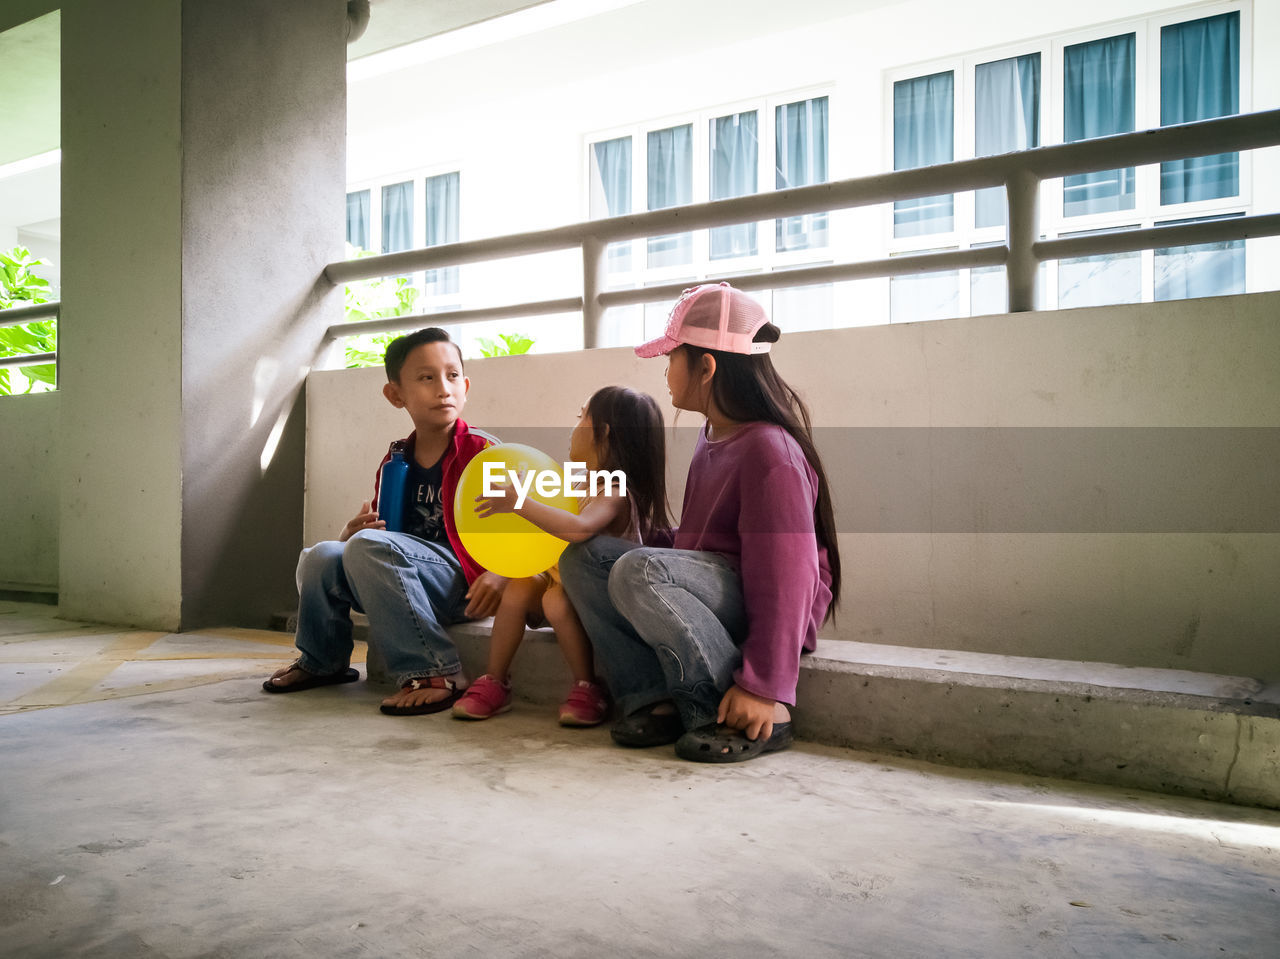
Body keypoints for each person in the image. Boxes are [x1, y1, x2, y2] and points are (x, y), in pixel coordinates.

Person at [558, 283, 840, 763]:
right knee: (584, 559)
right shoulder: (713, 437)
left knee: (639, 569)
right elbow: (700, 542)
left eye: (672, 358)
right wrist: (643, 537)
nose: (666, 372)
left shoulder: (771, 451)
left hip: (763, 606)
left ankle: (720, 706)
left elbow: (790, 577)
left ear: (706, 367)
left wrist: (765, 686)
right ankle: (652, 694)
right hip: (714, 592)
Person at [262, 327, 507, 715]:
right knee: (320, 555)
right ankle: (322, 661)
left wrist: (503, 573)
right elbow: (383, 539)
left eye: (452, 375)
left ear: (465, 385)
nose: (443, 388)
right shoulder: (397, 461)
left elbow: (528, 527)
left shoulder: (484, 452)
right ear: (396, 395)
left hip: (466, 581)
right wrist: (349, 539)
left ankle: (434, 672)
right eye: (426, 378)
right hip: (404, 580)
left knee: (363, 548)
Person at [452, 386, 670, 727]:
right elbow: (542, 517)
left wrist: (520, 502)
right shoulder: (578, 481)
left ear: (604, 432)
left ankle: (588, 685)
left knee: (554, 599)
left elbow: (579, 529)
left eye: (582, 416)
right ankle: (494, 680)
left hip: (598, 600)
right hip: (559, 580)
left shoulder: (615, 492)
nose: (575, 426)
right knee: (521, 586)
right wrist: (522, 488)